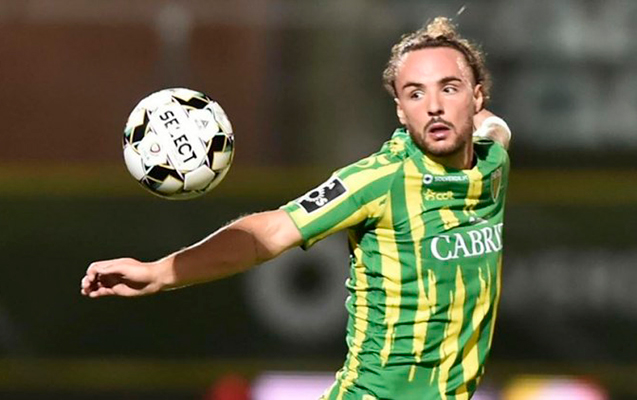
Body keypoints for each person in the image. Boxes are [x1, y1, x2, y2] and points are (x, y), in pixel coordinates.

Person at [81, 16, 511, 400]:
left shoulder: (493, 161)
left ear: (477, 97)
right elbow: (268, 234)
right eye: (415, 94)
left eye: (448, 88)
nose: (433, 106)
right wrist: (159, 273)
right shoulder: (379, 180)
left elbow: (495, 129)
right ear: (400, 111)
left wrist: (474, 109)